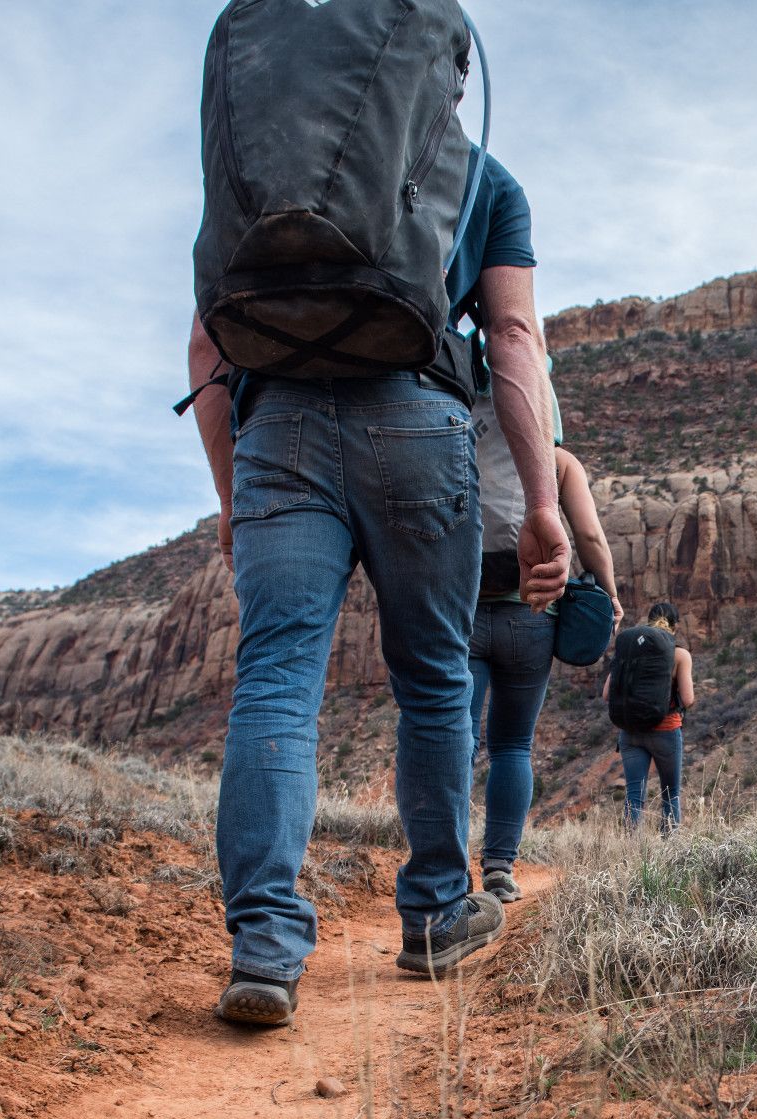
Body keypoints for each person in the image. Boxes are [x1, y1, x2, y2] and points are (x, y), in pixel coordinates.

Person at [189, 149, 569, 1026]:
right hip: (419, 420)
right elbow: (513, 338)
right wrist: (541, 500)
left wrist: (228, 491)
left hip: (276, 424)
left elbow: (208, 340)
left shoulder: (257, 165)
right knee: (434, 680)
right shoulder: (480, 176)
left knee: (277, 681)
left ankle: (264, 947)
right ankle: (437, 911)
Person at [468, 379, 622, 902]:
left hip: (459, 615)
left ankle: (441, 870)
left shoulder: (459, 435)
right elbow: (591, 538)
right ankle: (499, 868)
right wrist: (610, 595)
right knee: (513, 745)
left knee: (456, 742)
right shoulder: (558, 463)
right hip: (532, 616)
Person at [604, 603, 693, 831]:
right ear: (676, 626)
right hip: (666, 730)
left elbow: (606, 694)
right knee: (670, 793)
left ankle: (629, 851)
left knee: (634, 794)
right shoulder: (680, 654)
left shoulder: (630, 650)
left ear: (649, 620)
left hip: (630, 733)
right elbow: (688, 698)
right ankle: (670, 851)